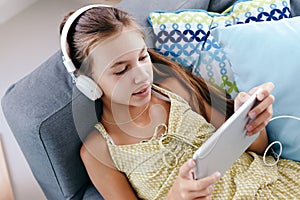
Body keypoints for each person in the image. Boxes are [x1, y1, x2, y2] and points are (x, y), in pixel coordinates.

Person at [60, 5, 300, 200]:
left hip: (275, 185)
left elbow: (259, 150)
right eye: (121, 70)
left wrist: (250, 124)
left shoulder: (173, 88)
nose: (142, 76)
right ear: (87, 82)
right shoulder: (97, 151)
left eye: (143, 57)